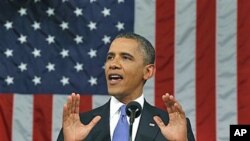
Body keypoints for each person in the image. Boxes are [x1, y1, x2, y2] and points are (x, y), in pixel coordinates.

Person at [57, 32, 195, 141]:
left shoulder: (170, 125)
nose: (113, 64)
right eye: (110, 57)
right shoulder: (80, 124)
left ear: (148, 71)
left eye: (125, 57)